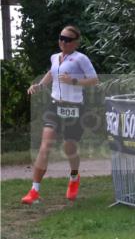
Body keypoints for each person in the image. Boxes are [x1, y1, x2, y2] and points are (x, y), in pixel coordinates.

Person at [22, 25, 99, 204]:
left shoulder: (81, 59)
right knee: (45, 146)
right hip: (55, 105)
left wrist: (73, 81)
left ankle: (74, 177)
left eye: (67, 40)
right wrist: (39, 85)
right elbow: (51, 73)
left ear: (75, 43)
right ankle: (34, 191)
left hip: (75, 108)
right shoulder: (54, 57)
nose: (63, 42)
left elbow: (94, 80)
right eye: (61, 38)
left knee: (69, 148)